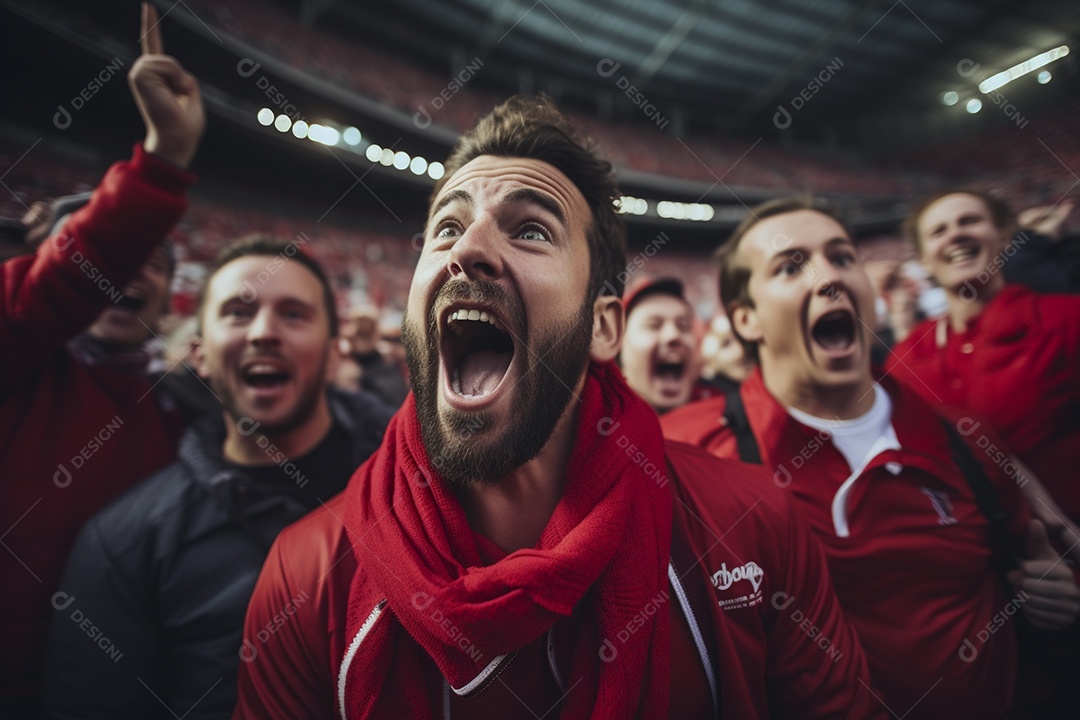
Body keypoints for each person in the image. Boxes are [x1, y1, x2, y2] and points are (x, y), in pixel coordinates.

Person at [232, 96, 884, 720]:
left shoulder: (751, 524)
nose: (468, 250)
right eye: (448, 227)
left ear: (604, 328)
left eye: (532, 230)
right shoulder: (306, 575)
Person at [662, 195, 1080, 719]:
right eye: (792, 266)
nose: (829, 277)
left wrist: (1055, 601)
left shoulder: (967, 441)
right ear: (746, 319)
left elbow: (1033, 577)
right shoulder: (685, 454)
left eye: (842, 257)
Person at [42, 237, 393, 720]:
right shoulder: (126, 541)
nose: (264, 333)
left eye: (294, 314)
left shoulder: (422, 481)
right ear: (199, 354)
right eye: (237, 312)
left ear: (333, 355)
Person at [0, 5, 203, 713]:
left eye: (155, 264)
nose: (132, 275)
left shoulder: (194, 407)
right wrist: (164, 158)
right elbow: (60, 284)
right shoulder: (16, 355)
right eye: (121, 253)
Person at [888, 189, 1080, 527]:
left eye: (970, 221)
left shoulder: (1066, 319)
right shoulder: (904, 359)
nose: (956, 234)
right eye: (938, 230)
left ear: (1005, 238)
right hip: (977, 566)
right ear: (923, 260)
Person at [619, 276, 701, 413]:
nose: (673, 335)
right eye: (654, 325)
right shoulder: (591, 423)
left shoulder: (728, 413)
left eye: (684, 326)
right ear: (617, 342)